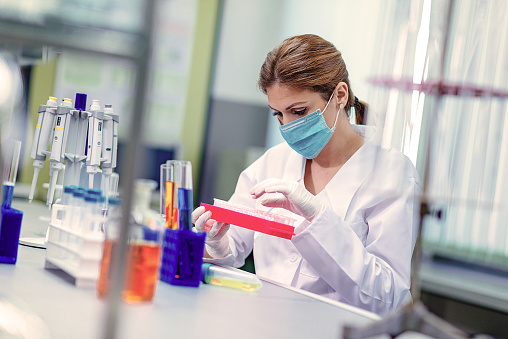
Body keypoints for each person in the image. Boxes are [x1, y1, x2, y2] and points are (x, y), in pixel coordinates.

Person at [191, 34, 422, 314]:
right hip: (267, 323)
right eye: (277, 114)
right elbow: (232, 251)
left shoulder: (391, 173)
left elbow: (387, 296)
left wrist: (320, 220)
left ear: (340, 95)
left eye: (299, 111)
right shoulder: (272, 163)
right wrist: (217, 243)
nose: (287, 126)